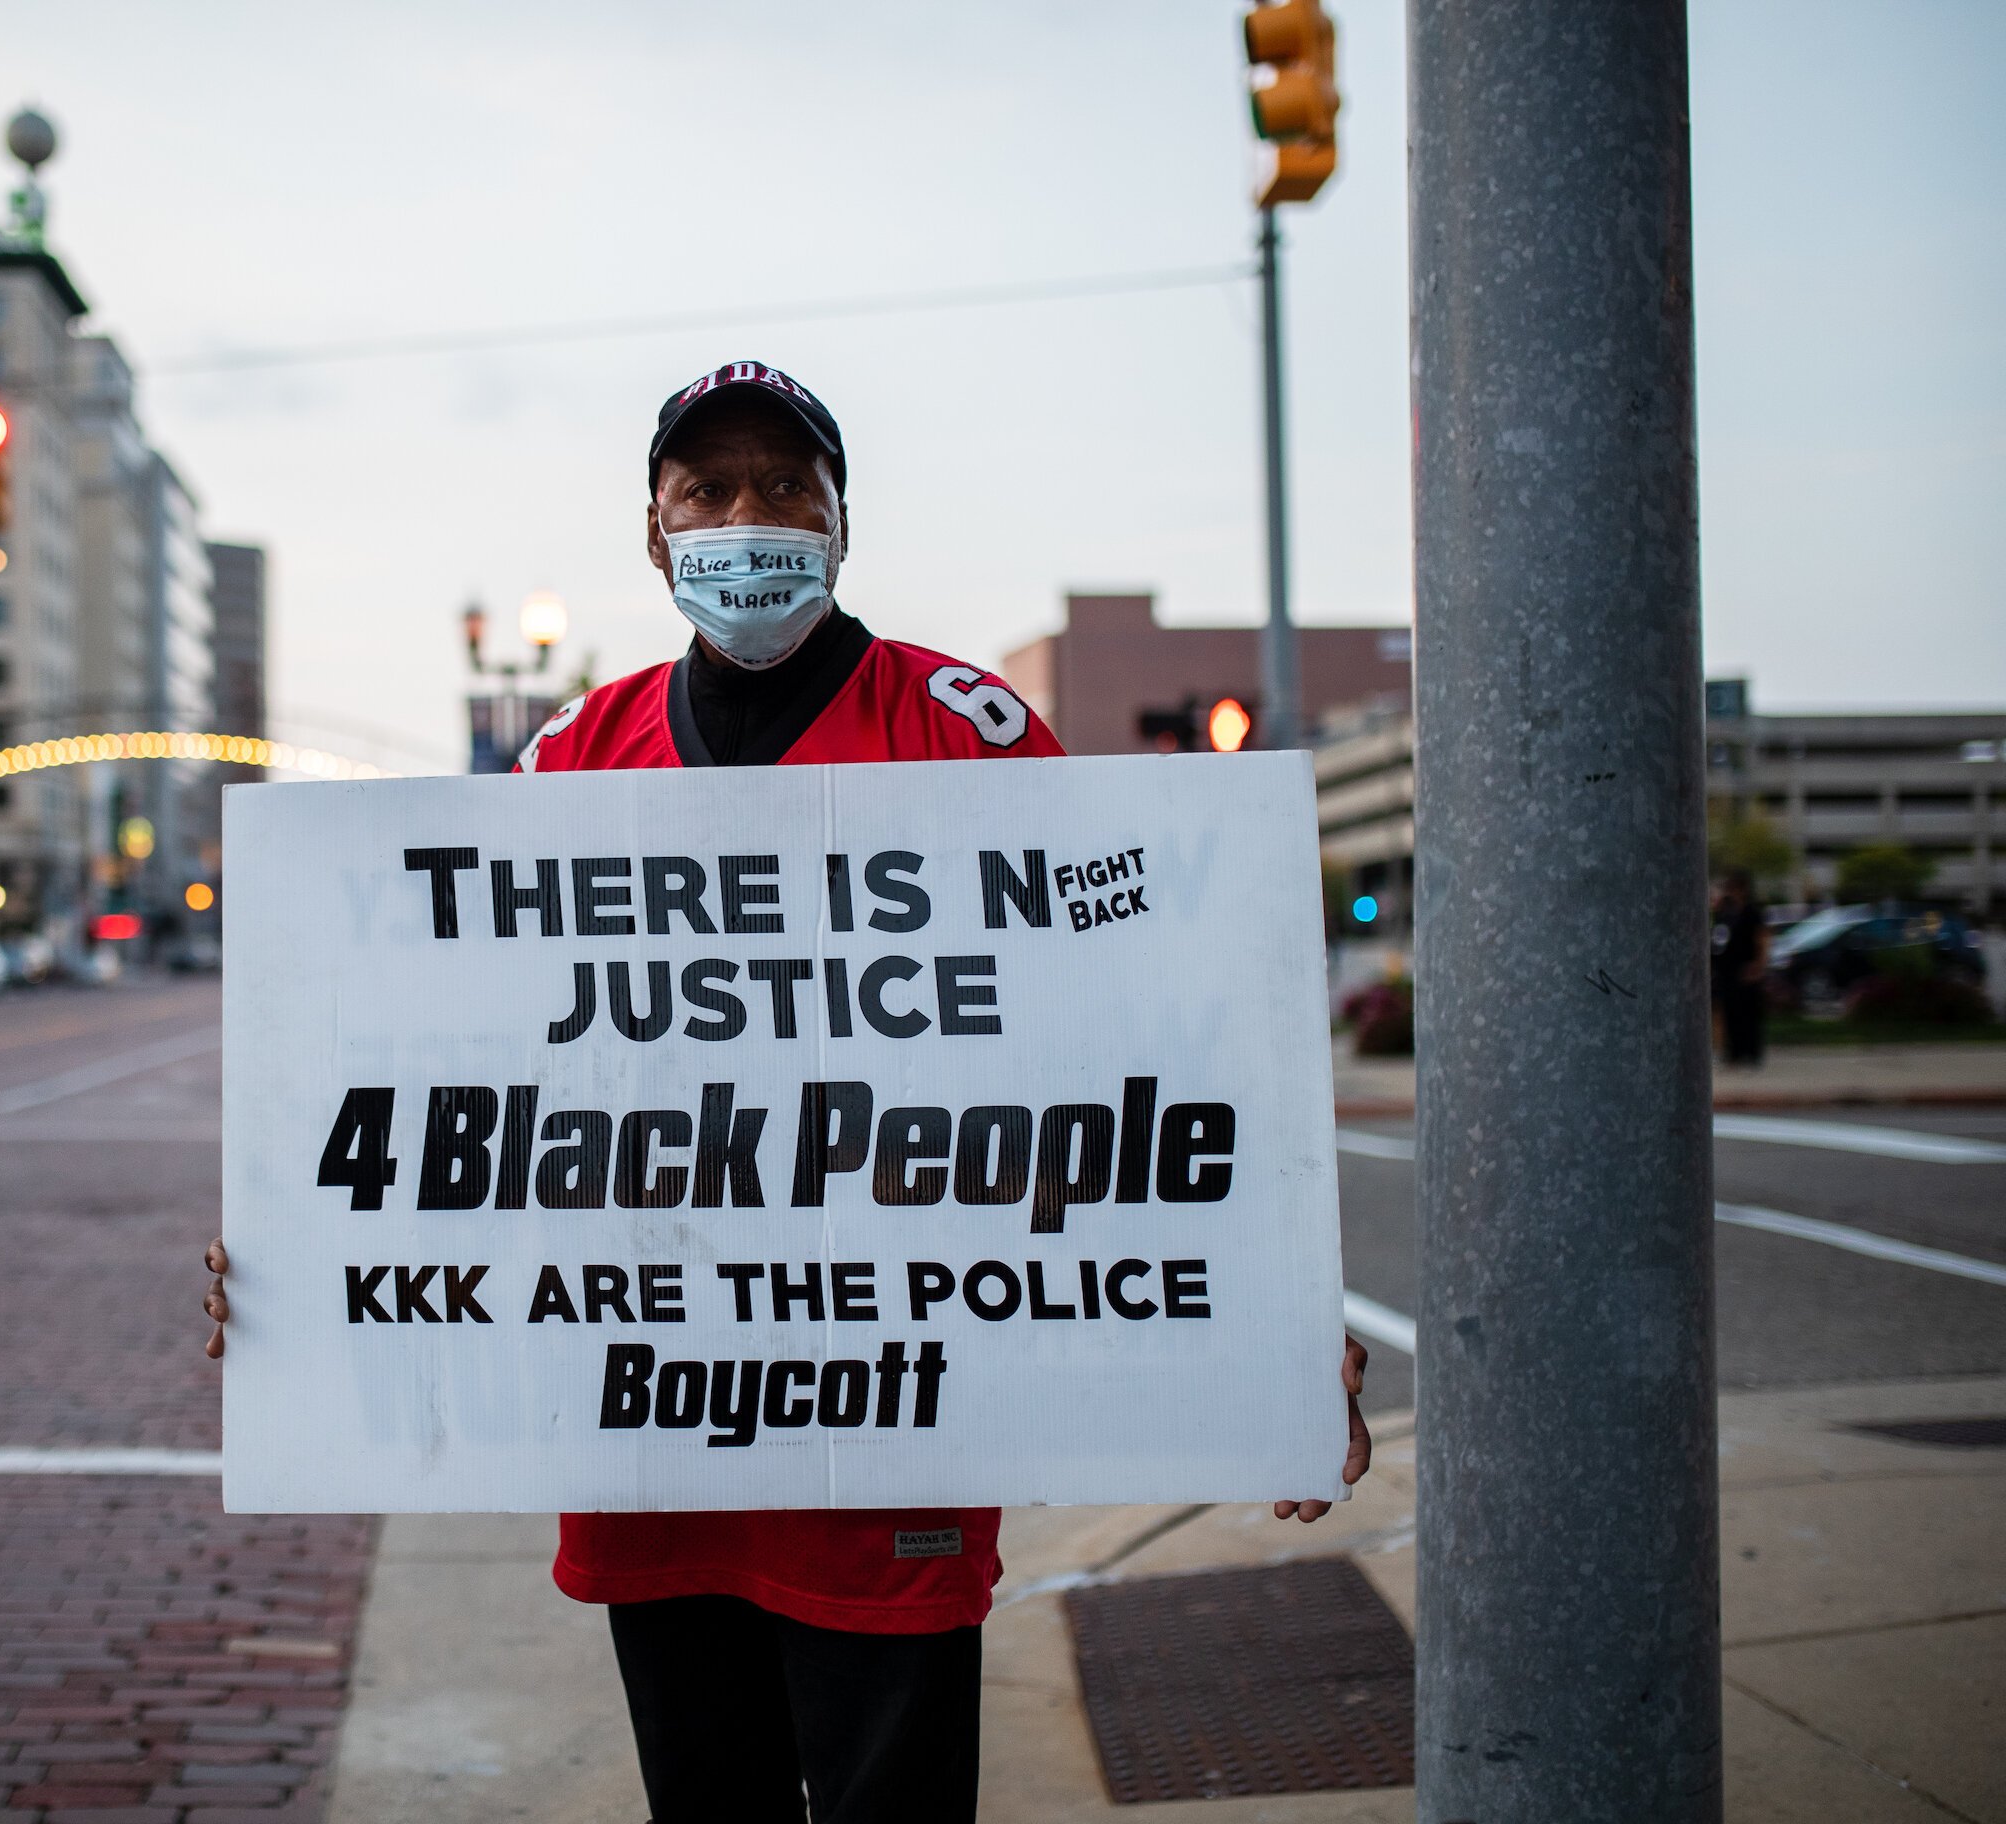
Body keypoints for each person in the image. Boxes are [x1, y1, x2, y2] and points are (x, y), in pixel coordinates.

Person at [203, 359, 1373, 1824]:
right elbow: (457, 1071)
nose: (746, 515)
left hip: (897, 1433)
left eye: (782, 485)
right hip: (650, 1439)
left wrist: (1271, 1314)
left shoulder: (966, 728)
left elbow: (1150, 1033)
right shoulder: (572, 759)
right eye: (709, 488)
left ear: (837, 520)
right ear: (655, 528)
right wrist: (302, 1263)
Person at [1711, 871, 1768, 1066]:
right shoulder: (1726, 912)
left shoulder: (1751, 912)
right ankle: (1733, 1052)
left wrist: (1759, 965)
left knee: (1748, 1012)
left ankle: (1751, 1053)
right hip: (1727, 969)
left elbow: (1762, 938)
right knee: (1730, 1011)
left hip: (1746, 968)